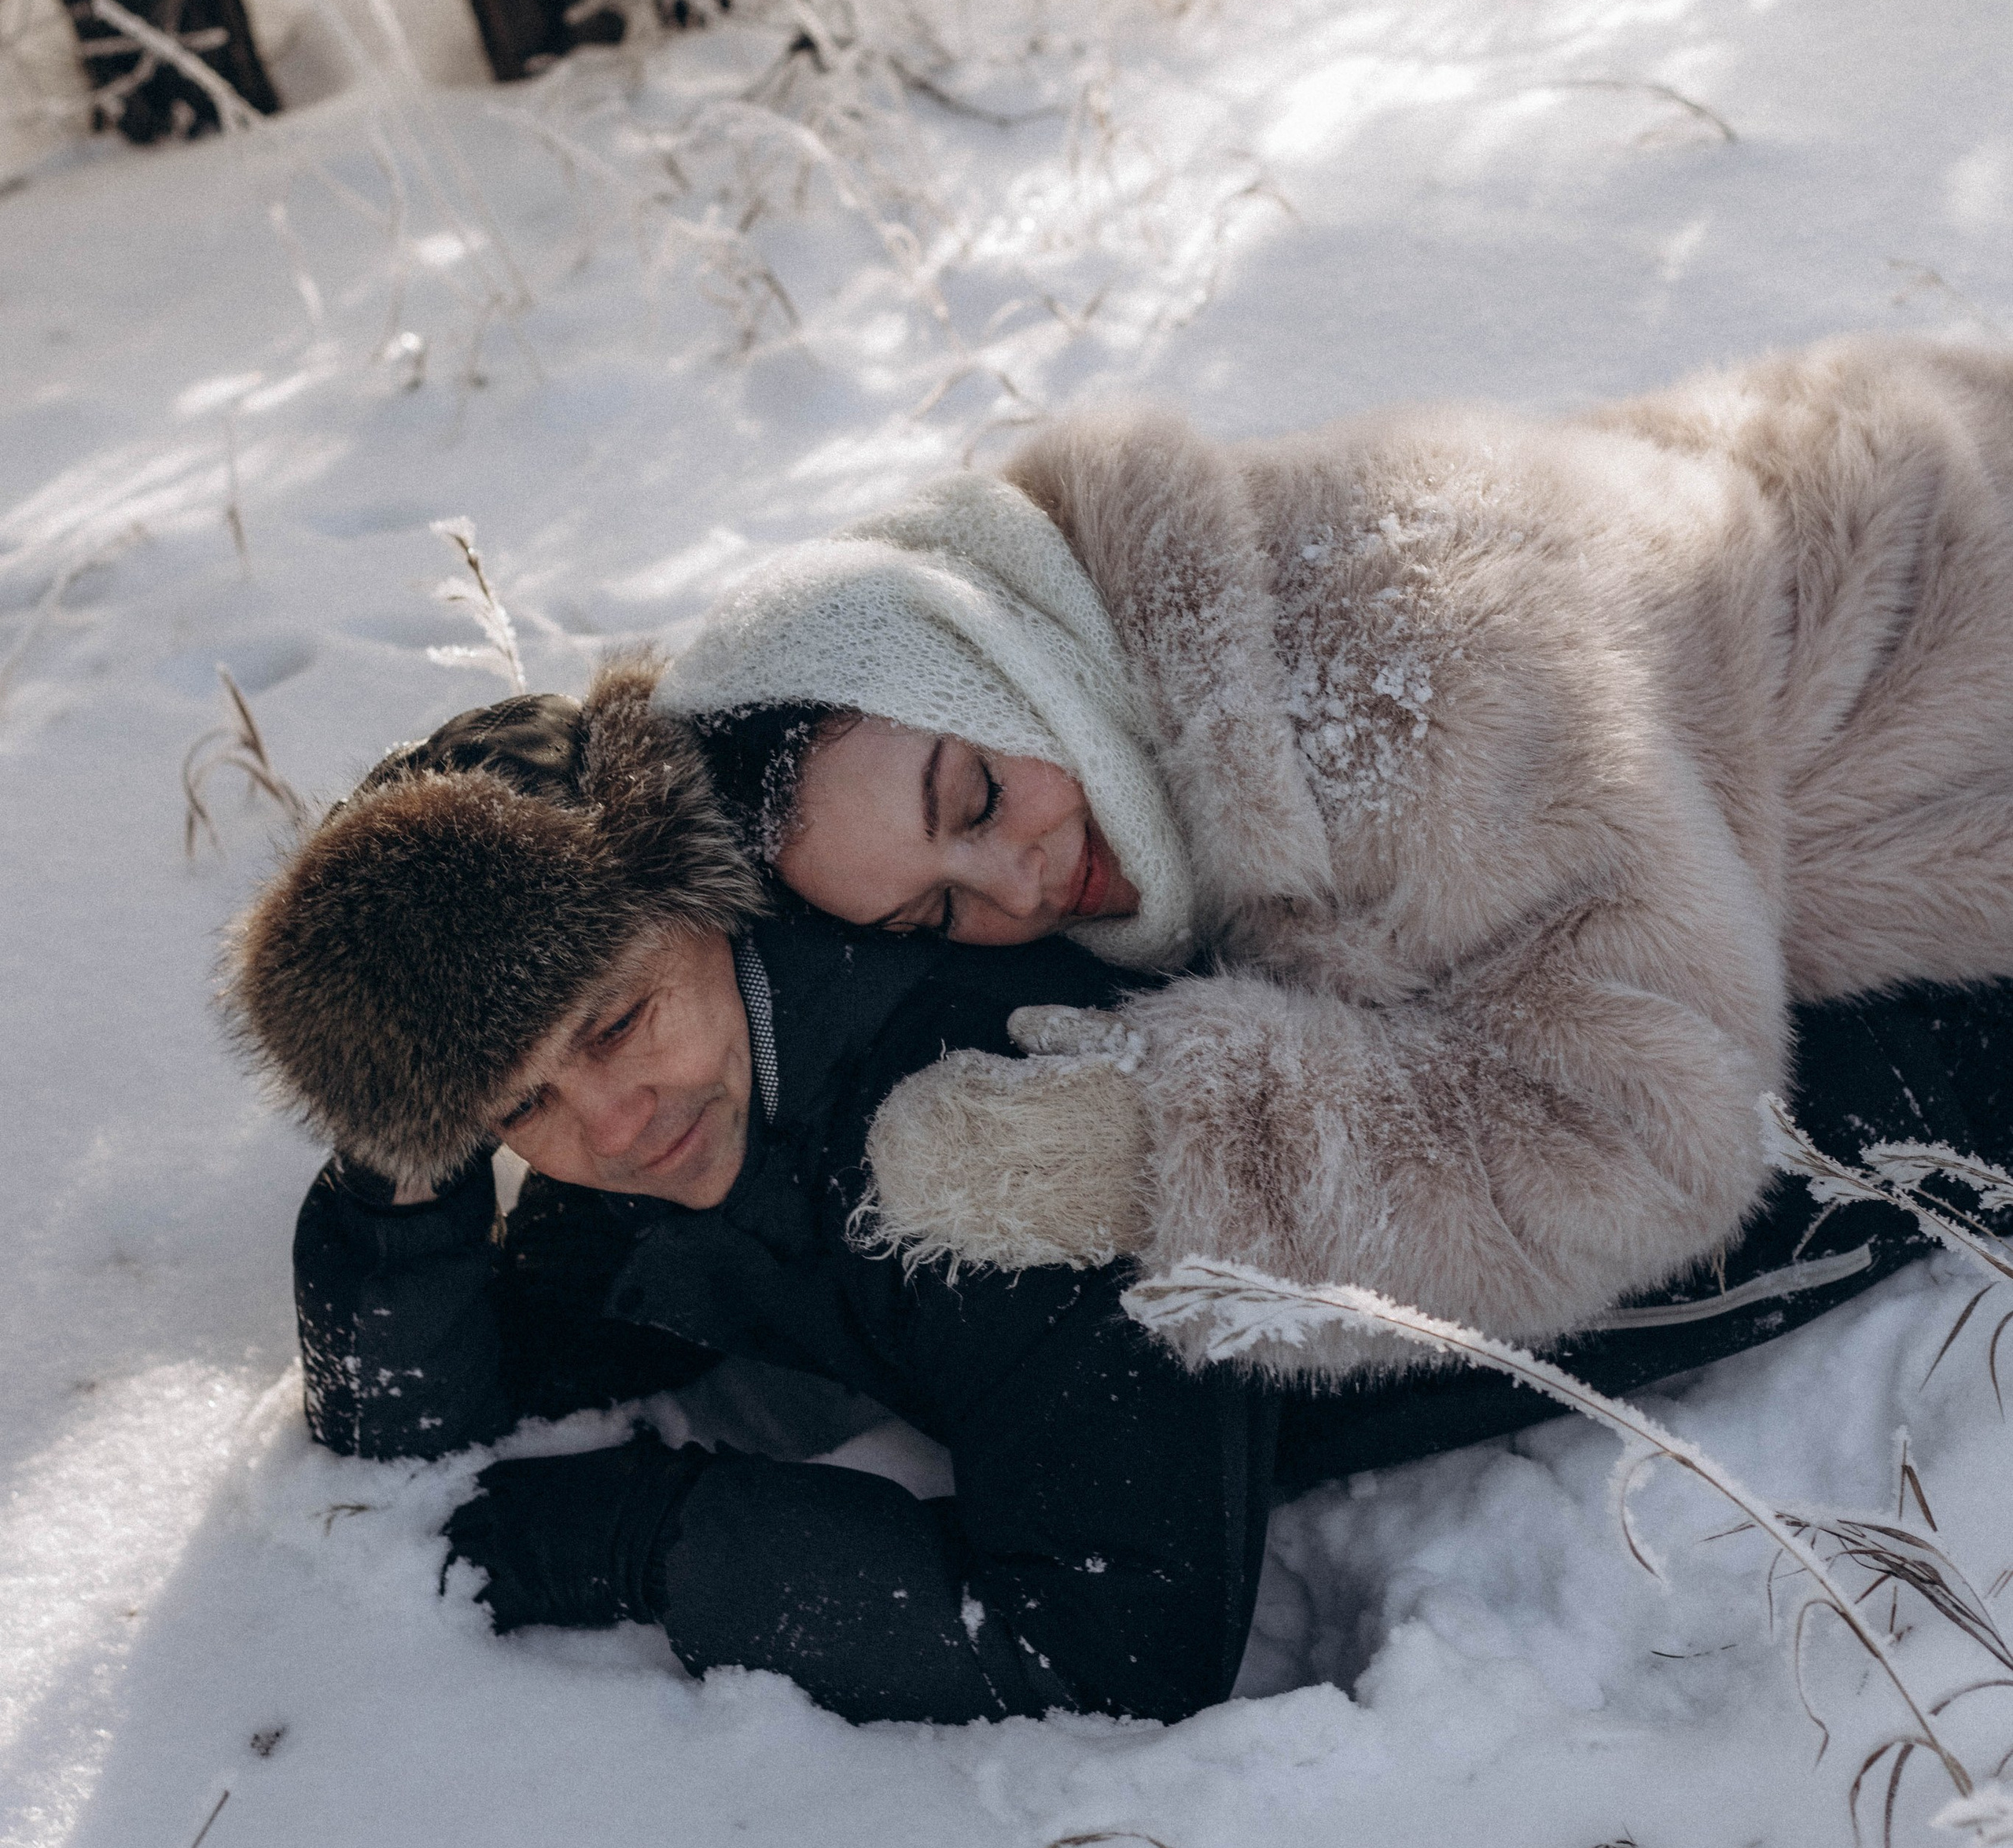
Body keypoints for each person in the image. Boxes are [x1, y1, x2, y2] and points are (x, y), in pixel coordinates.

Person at [229, 664, 2011, 1726]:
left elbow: (1110, 1631)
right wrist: (401, 1169)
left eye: (616, 1021)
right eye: (515, 1102)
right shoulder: (689, 1099)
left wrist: (640, 1540)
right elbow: (425, 1417)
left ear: (711, 901)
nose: (609, 1120)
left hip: (1815, 1111)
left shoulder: (977, 1130)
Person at [665, 334, 2013, 1377]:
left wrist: (1156, 1147)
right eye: (932, 914)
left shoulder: (1413, 675)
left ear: (1013, 650)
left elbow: (1658, 1136)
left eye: (972, 799)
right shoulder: (1184, 681)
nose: (1016, 888)